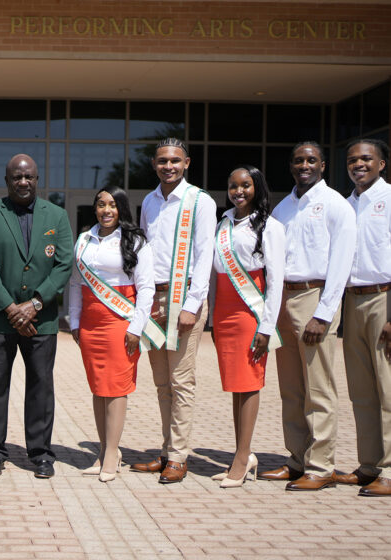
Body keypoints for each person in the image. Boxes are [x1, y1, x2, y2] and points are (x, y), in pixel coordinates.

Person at [260, 141, 355, 491]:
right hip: (283, 298)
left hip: (314, 299)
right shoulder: (282, 208)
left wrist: (325, 313)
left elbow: (341, 264)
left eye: (311, 160)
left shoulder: (336, 206)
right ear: (291, 165)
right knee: (291, 388)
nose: (305, 165)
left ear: (323, 165)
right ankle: (297, 459)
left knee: (320, 388)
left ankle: (322, 465)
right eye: (299, 160)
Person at [0, 154, 73, 479]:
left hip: (41, 321)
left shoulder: (56, 216)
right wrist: (11, 308)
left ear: (37, 179)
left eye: (29, 176)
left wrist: (36, 303)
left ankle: (41, 453)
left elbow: (63, 265)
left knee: (41, 387)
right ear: (7, 180)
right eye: (16, 177)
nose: (23, 182)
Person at [131, 138, 217, 484]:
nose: (169, 166)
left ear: (187, 163)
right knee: (162, 383)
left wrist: (193, 305)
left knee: (181, 381)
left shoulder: (201, 202)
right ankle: (167, 451)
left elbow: (204, 254)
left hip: (185, 300)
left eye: (175, 161)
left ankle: (180, 457)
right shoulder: (149, 202)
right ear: (154, 164)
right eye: (163, 161)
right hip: (154, 298)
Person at [69, 186, 156, 483]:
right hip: (91, 322)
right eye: (101, 204)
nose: (106, 210)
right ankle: (105, 449)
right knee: (98, 387)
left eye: (112, 205)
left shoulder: (135, 241)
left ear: (121, 208)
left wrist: (136, 327)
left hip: (121, 322)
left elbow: (146, 288)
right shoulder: (84, 239)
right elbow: (75, 283)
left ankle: (112, 453)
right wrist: (75, 321)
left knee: (116, 388)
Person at [209, 166, 285, 488]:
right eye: (233, 185)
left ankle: (242, 457)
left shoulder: (270, 226)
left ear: (258, 188)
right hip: (225, 309)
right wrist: (212, 316)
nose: (238, 191)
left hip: (249, 310)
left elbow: (277, 280)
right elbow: (215, 272)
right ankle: (243, 453)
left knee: (249, 380)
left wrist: (266, 327)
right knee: (235, 384)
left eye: (246, 185)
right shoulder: (223, 222)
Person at [336, 139, 391, 497]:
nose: (358, 164)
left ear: (382, 164)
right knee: (361, 391)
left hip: (383, 300)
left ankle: (389, 469)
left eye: (366, 158)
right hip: (351, 302)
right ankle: (369, 464)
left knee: (388, 389)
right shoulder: (346, 204)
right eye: (353, 159)